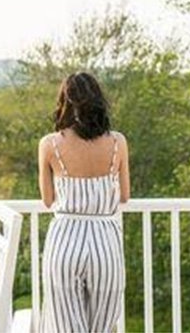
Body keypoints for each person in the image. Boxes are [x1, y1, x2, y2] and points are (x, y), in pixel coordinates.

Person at [37, 72, 129, 332]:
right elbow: (124, 195)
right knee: (101, 325)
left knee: (65, 325)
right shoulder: (117, 142)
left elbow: (47, 200)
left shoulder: (49, 144)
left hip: (65, 239)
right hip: (105, 242)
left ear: (64, 102)